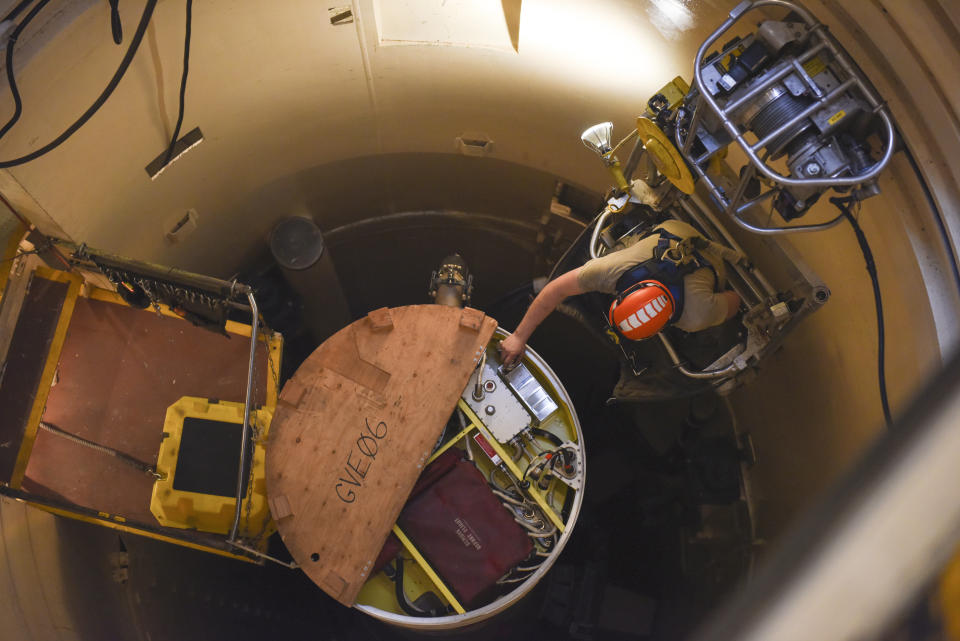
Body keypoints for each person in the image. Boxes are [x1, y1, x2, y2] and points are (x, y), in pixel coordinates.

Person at [498, 219, 744, 366]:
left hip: (690, 240)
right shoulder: (694, 315)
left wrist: (520, 337)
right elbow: (735, 300)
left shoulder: (613, 271)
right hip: (695, 245)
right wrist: (518, 337)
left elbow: (735, 300)